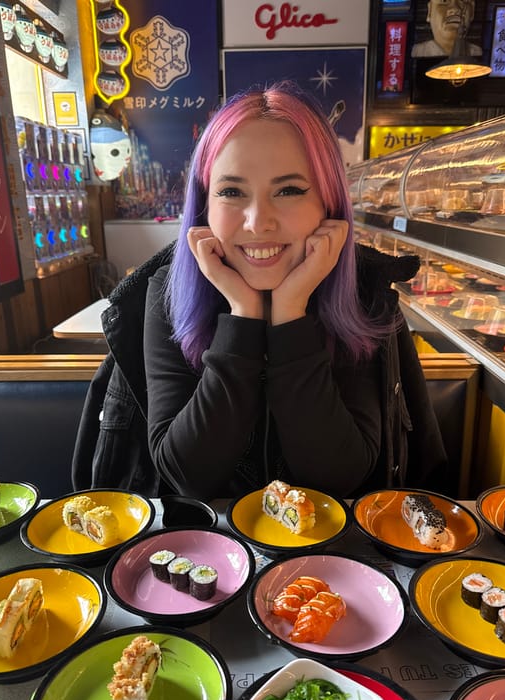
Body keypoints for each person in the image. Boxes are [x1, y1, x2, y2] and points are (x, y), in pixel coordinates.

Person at [72, 82, 446, 501]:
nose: (257, 221)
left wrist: (290, 312)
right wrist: (243, 316)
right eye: (231, 192)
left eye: (288, 190)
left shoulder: (362, 296)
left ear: (329, 204)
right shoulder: (166, 295)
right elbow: (189, 476)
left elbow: (339, 477)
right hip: (206, 553)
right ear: (204, 207)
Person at [412, 0, 482, 58]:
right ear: (429, 11)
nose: (455, 9)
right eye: (444, 1)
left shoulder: (479, 52)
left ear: (472, 12)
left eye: (463, 1)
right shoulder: (417, 51)